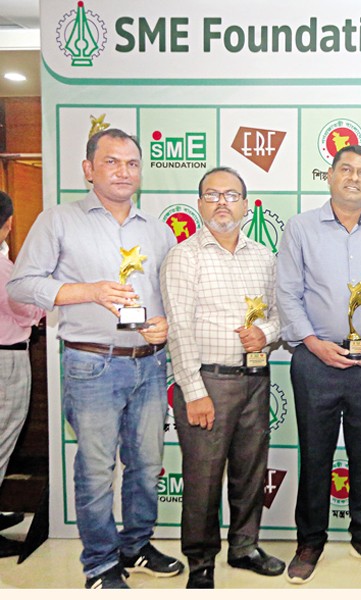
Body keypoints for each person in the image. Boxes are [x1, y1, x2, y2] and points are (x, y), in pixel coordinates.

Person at [7, 128, 183, 588]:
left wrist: (163, 325)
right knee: (96, 468)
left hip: (148, 362)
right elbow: (20, 285)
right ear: (88, 169)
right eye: (111, 162)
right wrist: (86, 292)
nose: (123, 171)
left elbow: (163, 296)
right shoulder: (59, 220)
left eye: (131, 163)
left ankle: (136, 544)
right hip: (92, 364)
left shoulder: (158, 230)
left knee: (146, 465)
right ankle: (101, 564)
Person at [276, 145, 361, 584]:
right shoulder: (299, 229)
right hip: (314, 360)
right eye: (346, 169)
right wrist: (313, 343)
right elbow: (287, 294)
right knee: (314, 455)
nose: (355, 178)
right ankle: (310, 541)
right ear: (330, 176)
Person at [161, 167, 285, 589]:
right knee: (202, 476)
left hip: (255, 377)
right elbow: (177, 326)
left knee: (251, 470)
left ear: (245, 205)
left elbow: (278, 316)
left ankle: (244, 546)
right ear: (199, 205)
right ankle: (200, 561)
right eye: (212, 195)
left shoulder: (263, 257)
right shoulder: (184, 256)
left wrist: (264, 334)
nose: (221, 203)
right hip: (207, 383)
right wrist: (193, 391)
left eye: (231, 195)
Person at [0, 191, 44, 559]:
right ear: (9, 222)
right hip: (6, 361)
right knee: (1, 438)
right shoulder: (3, 270)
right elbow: (26, 312)